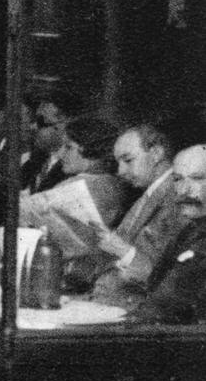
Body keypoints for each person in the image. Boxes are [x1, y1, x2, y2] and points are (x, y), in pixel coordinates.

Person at [77, 124, 186, 301]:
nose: (120, 171)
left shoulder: (175, 195)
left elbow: (165, 273)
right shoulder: (151, 192)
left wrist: (120, 248)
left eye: (128, 160)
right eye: (118, 162)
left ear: (156, 154)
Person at [130, 144, 206, 323]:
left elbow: (166, 305)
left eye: (197, 178)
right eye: (178, 179)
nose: (185, 190)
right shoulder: (190, 230)